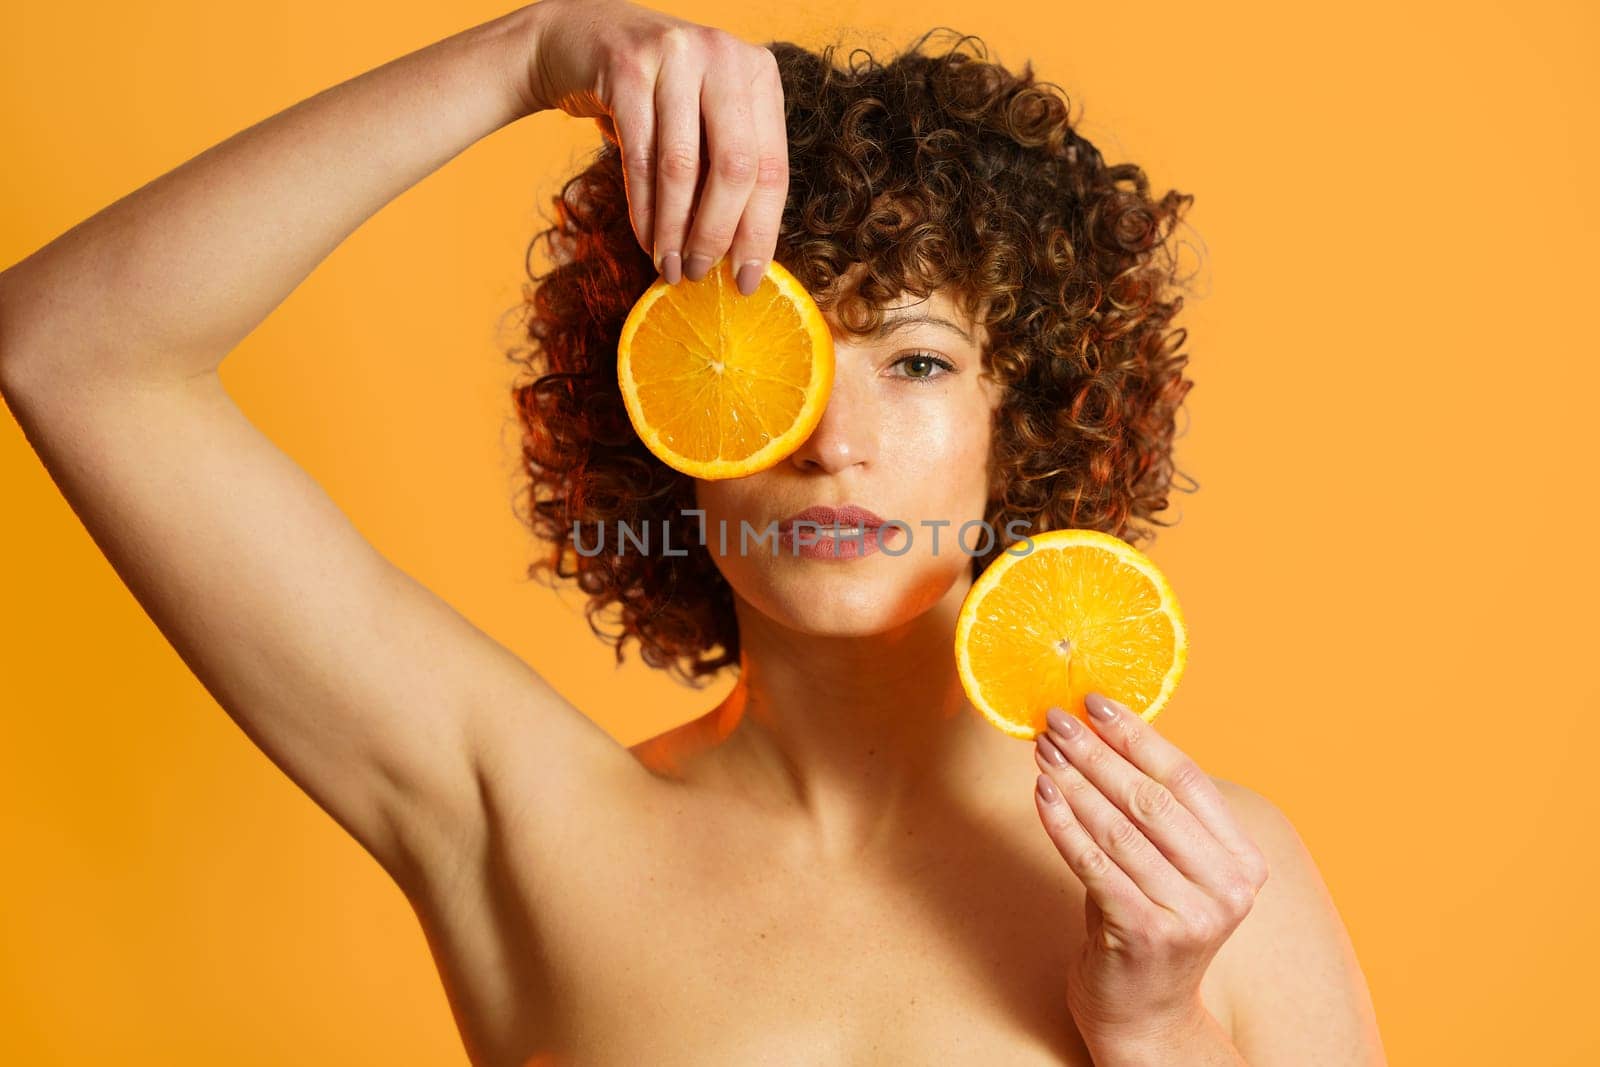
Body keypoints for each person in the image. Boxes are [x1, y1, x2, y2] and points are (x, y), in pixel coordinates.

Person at [0, 0, 1386, 1064]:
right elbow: (72, 351)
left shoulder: (1208, 881)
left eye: (913, 363)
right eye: (761, 359)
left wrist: (1156, 1028)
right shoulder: (526, 823)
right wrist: (532, 50)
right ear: (664, 422)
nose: (830, 440)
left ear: (1020, 427)